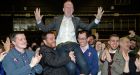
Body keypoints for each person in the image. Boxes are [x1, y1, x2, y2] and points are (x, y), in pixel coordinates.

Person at [34, 1, 104, 75]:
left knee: (84, 66)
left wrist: (97, 19)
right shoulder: (57, 20)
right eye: (67, 7)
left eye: (70, 7)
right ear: (63, 9)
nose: (68, 8)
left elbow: (87, 27)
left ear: (73, 10)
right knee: (71, 67)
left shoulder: (77, 20)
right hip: (61, 46)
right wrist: (39, 21)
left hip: (74, 45)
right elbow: (45, 29)